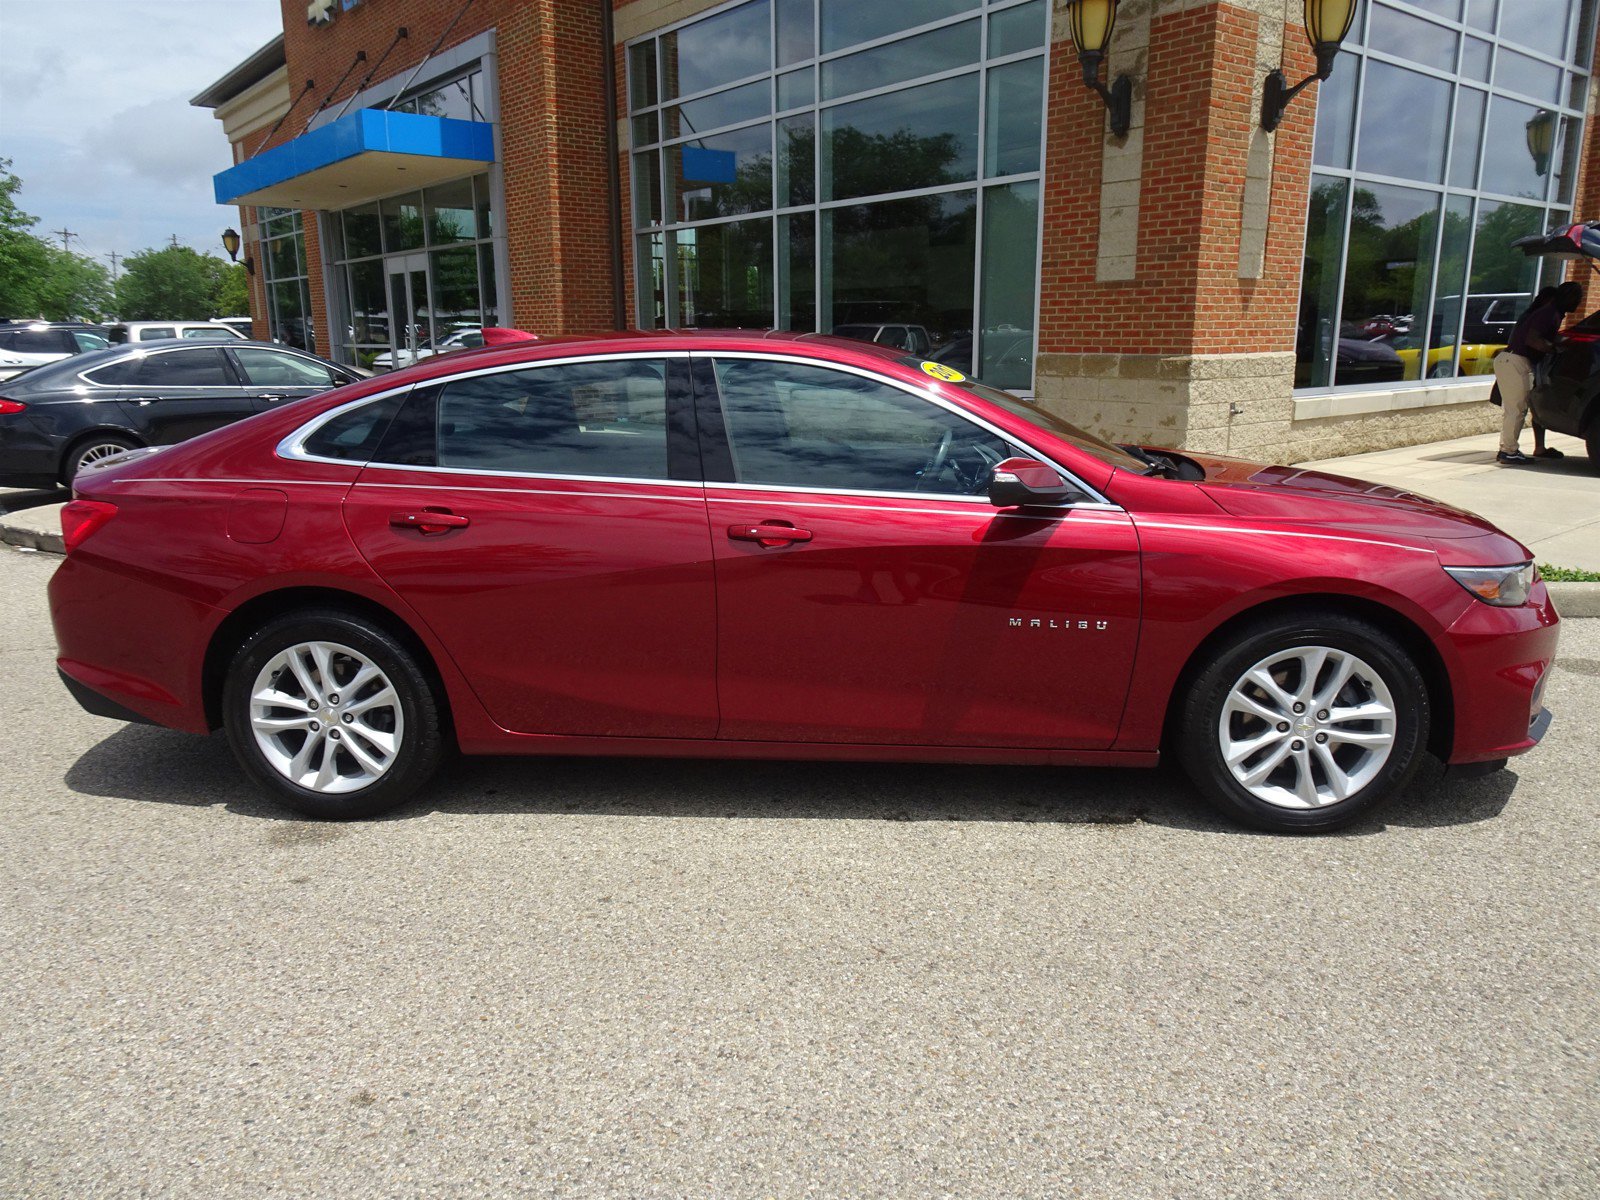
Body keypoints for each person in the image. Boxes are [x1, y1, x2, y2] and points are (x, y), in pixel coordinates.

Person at [1493, 280, 1583, 464]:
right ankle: (1508, 451)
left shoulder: (1551, 313)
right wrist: (1555, 348)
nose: (1578, 303)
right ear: (1568, 298)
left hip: (1514, 361)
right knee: (1516, 410)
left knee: (1516, 409)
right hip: (1515, 361)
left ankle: (1507, 449)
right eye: (1577, 298)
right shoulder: (1549, 314)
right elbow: (1533, 340)